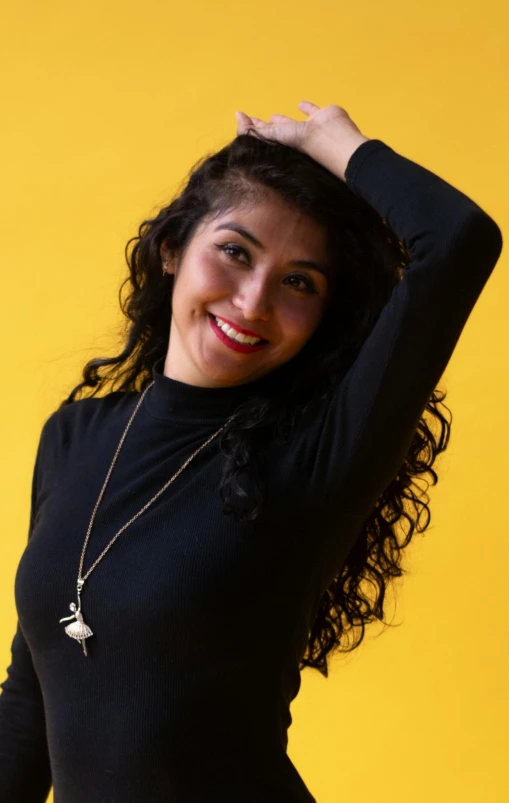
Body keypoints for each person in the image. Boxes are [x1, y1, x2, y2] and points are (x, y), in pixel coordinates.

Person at [0, 101, 503, 802]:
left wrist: (333, 140)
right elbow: (30, 699)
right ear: (174, 247)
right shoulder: (75, 437)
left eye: (299, 282)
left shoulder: (314, 455)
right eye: (234, 252)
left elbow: (457, 239)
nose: (252, 301)